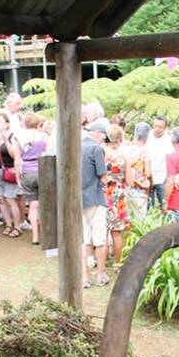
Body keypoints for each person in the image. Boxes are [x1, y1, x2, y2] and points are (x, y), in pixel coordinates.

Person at [80, 121, 111, 286]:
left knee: (83, 240)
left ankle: (84, 278)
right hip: (95, 198)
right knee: (99, 239)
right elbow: (103, 176)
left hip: (77, 200)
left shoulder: (75, 147)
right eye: (104, 137)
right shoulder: (96, 149)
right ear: (97, 133)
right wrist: (109, 179)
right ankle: (100, 275)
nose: (104, 140)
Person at [14, 113, 47, 244]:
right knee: (45, 204)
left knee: (33, 206)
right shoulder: (44, 136)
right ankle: (46, 234)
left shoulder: (19, 137)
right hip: (43, 170)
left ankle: (35, 236)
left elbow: (17, 159)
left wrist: (17, 175)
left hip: (27, 171)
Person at [0, 113, 25, 237]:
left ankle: (17, 225)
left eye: (0, 122)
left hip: (9, 170)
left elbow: (14, 155)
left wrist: (4, 140)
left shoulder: (12, 137)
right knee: (0, 198)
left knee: (10, 198)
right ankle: (8, 223)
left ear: (7, 124)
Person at [124, 122, 152, 221]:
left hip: (126, 188)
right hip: (140, 190)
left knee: (127, 219)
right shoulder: (146, 151)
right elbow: (148, 173)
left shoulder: (126, 148)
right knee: (139, 219)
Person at [162, 127, 179, 222]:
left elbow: (170, 182)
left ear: (172, 140)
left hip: (176, 201)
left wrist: (165, 201)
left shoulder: (172, 157)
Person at [146, 116, 171, 210]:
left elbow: (169, 158)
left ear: (165, 128)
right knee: (148, 205)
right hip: (148, 177)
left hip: (162, 177)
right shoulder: (148, 137)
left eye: (160, 127)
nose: (157, 129)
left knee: (164, 204)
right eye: (156, 126)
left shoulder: (168, 140)